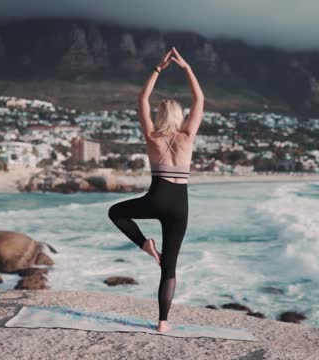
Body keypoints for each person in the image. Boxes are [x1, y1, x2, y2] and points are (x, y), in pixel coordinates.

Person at [108, 46, 204, 332]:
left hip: (156, 199)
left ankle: (144, 244)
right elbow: (200, 98)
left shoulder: (152, 137)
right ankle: (163, 323)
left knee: (116, 212)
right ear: (180, 116)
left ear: (161, 115)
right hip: (180, 205)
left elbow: (142, 98)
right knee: (169, 267)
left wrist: (158, 68)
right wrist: (186, 68)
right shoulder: (188, 135)